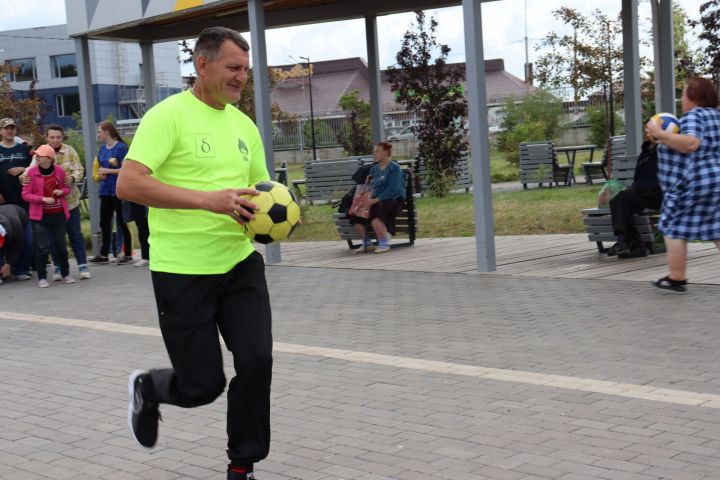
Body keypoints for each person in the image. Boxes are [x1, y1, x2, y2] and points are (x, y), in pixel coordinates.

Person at [117, 27, 271, 480]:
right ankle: (150, 386)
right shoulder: (168, 117)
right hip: (182, 272)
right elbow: (129, 183)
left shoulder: (245, 126)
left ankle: (242, 465)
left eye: (245, 69)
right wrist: (210, 200)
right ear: (202, 65)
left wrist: (269, 218)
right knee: (203, 386)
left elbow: (260, 192)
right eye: (233, 68)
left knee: (257, 360)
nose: (242, 77)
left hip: (239, 264)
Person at [646, 76, 720, 293]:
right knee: (717, 227)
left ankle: (676, 277)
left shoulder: (693, 116)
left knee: (672, 226)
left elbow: (691, 143)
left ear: (693, 97)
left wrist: (660, 134)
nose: (681, 99)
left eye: (683, 94)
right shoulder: (716, 116)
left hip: (695, 181)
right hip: (717, 179)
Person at [21, 124, 91, 279]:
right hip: (49, 206)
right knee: (53, 238)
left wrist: (72, 178)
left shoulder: (69, 151)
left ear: (62, 137)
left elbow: (79, 169)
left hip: (69, 201)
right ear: (47, 137)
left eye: (58, 137)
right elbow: (30, 170)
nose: (55, 140)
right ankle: (57, 267)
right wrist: (24, 177)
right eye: (52, 137)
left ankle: (82, 265)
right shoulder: (41, 153)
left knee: (75, 234)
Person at [21, 145, 74, 287]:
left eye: (40, 155)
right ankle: (42, 277)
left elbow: (67, 189)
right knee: (41, 247)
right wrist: (42, 199)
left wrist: (61, 192)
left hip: (59, 215)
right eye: (36, 155)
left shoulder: (60, 171)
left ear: (50, 158)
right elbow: (25, 195)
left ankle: (66, 274)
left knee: (61, 246)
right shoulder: (31, 173)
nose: (37, 157)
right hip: (39, 217)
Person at [606, 136, 664, 259]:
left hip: (659, 195)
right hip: (642, 194)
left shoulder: (665, 150)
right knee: (619, 202)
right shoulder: (646, 151)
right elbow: (639, 176)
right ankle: (632, 244)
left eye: (649, 129)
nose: (646, 132)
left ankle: (627, 242)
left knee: (622, 199)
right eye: (646, 129)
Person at [89, 121, 133, 265]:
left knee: (122, 221)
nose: (98, 134)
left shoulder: (121, 148)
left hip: (118, 190)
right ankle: (104, 253)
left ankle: (127, 253)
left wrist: (108, 171)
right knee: (104, 222)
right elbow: (100, 168)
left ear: (107, 131)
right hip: (105, 190)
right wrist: (101, 175)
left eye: (100, 131)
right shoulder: (102, 149)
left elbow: (126, 169)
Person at [349, 141, 405, 253]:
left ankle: (384, 243)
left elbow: (393, 190)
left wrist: (373, 200)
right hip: (375, 199)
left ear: (386, 152)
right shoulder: (374, 169)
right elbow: (369, 186)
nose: (375, 154)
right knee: (355, 211)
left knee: (375, 209)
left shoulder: (395, 168)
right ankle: (367, 243)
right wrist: (363, 198)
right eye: (374, 152)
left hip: (393, 200)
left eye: (377, 151)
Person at [0, 118, 32, 210]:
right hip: (3, 198)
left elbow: (34, 169)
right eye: (6, 128)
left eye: (12, 128)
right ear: (0, 131)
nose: (10, 131)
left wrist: (23, 169)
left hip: (24, 196)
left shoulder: (24, 149)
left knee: (26, 223)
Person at [0, 204, 32, 284]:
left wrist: (8, 264)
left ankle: (21, 270)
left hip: (20, 217)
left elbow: (17, 246)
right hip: (6, 215)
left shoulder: (16, 226)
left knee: (27, 244)